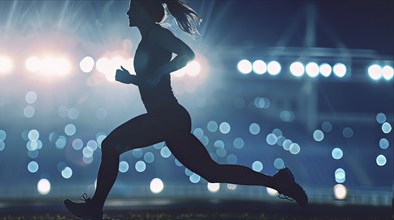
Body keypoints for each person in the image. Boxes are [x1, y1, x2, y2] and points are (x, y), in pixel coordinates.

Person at [65, 0, 308, 218]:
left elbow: (187, 55)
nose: (128, 11)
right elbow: (151, 82)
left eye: (132, 7)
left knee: (110, 145)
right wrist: (133, 79)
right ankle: (279, 183)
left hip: (167, 117)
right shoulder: (149, 38)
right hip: (168, 118)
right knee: (212, 172)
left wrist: (155, 73)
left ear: (143, 11)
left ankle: (95, 208)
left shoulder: (158, 35)